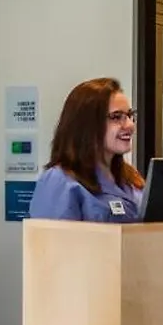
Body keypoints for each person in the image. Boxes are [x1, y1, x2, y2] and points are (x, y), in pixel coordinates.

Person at [29, 77, 144, 223]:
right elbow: (51, 237)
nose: (130, 125)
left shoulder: (130, 177)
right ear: (87, 125)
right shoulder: (59, 181)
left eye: (129, 115)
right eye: (116, 117)